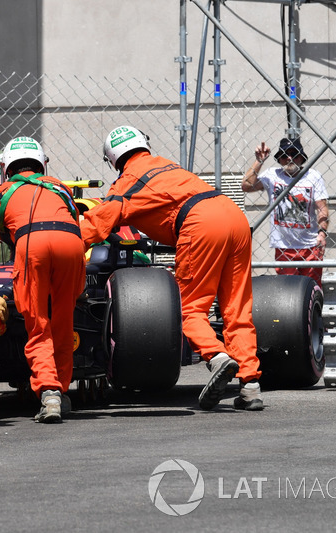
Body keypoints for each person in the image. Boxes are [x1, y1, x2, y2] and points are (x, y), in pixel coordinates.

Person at [81, 125, 264, 411]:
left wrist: (64, 240)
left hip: (200, 224)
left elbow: (97, 223)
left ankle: (217, 357)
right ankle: (250, 385)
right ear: (144, 144)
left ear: (112, 159)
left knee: (189, 309)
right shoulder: (166, 165)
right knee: (237, 308)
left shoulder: (127, 182)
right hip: (232, 214)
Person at [0, 136, 86, 423]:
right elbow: (74, 216)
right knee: (64, 319)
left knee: (38, 323)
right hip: (71, 242)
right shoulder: (59, 186)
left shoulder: (2, 192)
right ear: (42, 164)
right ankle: (63, 390)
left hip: (32, 243)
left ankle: (49, 391)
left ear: (6, 167)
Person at [241, 138, 329, 286]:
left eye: (294, 154)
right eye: (284, 155)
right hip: (284, 247)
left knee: (312, 288)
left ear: (302, 157)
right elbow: (246, 186)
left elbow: (322, 208)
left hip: (310, 245)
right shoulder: (272, 175)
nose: (289, 158)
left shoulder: (313, 176)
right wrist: (259, 161)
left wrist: (322, 233)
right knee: (288, 289)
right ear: (279, 159)